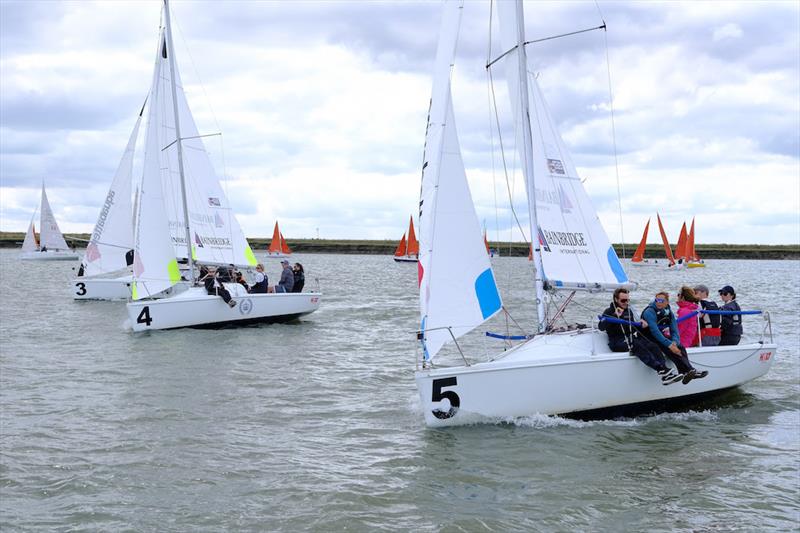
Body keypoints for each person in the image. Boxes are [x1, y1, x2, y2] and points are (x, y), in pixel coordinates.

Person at [598, 288, 682, 385]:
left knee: (652, 345)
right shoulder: (609, 311)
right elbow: (601, 327)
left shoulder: (628, 311)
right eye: (623, 300)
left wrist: (642, 325)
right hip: (617, 342)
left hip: (630, 338)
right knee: (637, 344)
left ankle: (665, 372)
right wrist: (613, 315)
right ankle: (660, 369)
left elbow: (633, 328)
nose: (626, 303)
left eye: (628, 300)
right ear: (616, 300)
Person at [641, 291, 708, 384]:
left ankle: (688, 370)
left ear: (667, 302)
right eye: (657, 300)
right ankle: (686, 371)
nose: (659, 302)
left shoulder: (668, 311)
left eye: (662, 300)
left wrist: (675, 342)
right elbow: (654, 331)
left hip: (659, 335)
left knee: (680, 346)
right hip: (647, 336)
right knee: (667, 347)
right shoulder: (649, 312)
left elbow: (674, 328)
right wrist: (669, 345)